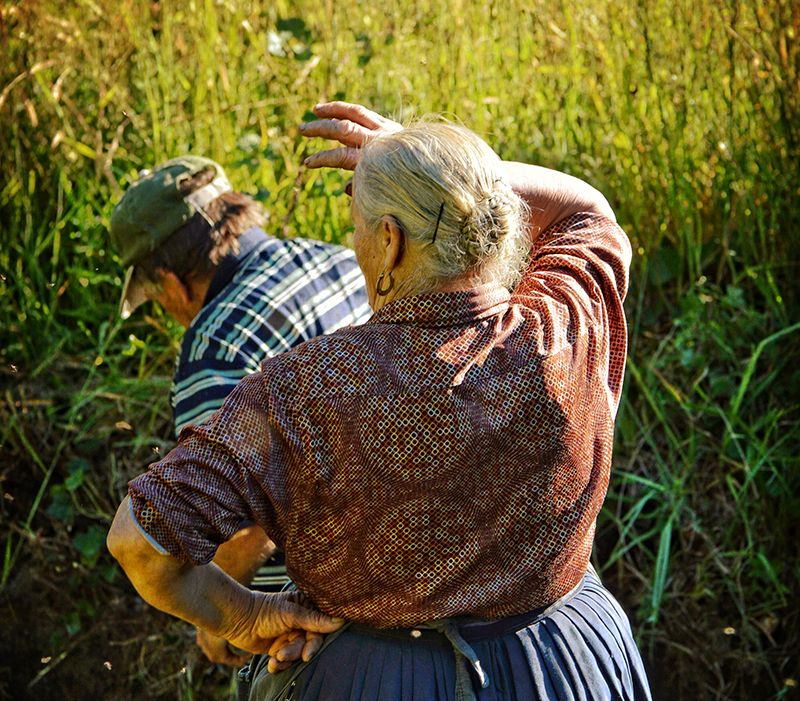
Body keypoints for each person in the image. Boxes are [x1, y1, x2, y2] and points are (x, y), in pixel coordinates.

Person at [108, 102, 653, 700]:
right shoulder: (563, 330)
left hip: (371, 680)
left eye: (359, 226)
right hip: (562, 662)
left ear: (389, 242)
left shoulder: (303, 390)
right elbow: (587, 209)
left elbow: (139, 541)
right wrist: (449, 171)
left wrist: (242, 616)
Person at [107, 155, 371, 666]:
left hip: (317, 629)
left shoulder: (216, 351)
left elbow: (242, 524)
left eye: (157, 298)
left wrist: (228, 615)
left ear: (171, 282)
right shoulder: (336, 258)